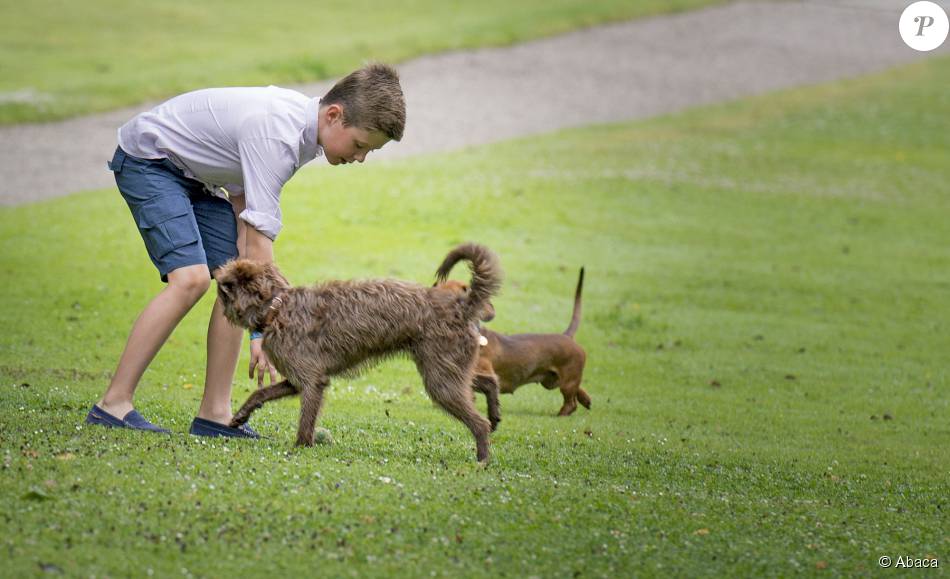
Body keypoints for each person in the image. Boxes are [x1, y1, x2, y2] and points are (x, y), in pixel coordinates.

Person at [84, 63, 406, 437]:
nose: (360, 158)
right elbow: (259, 246)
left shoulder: (303, 135)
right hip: (150, 163)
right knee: (190, 281)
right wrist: (267, 331)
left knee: (233, 286)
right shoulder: (278, 135)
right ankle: (114, 404)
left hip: (199, 180)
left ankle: (215, 416)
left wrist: (261, 309)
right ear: (334, 115)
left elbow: (245, 209)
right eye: (360, 145)